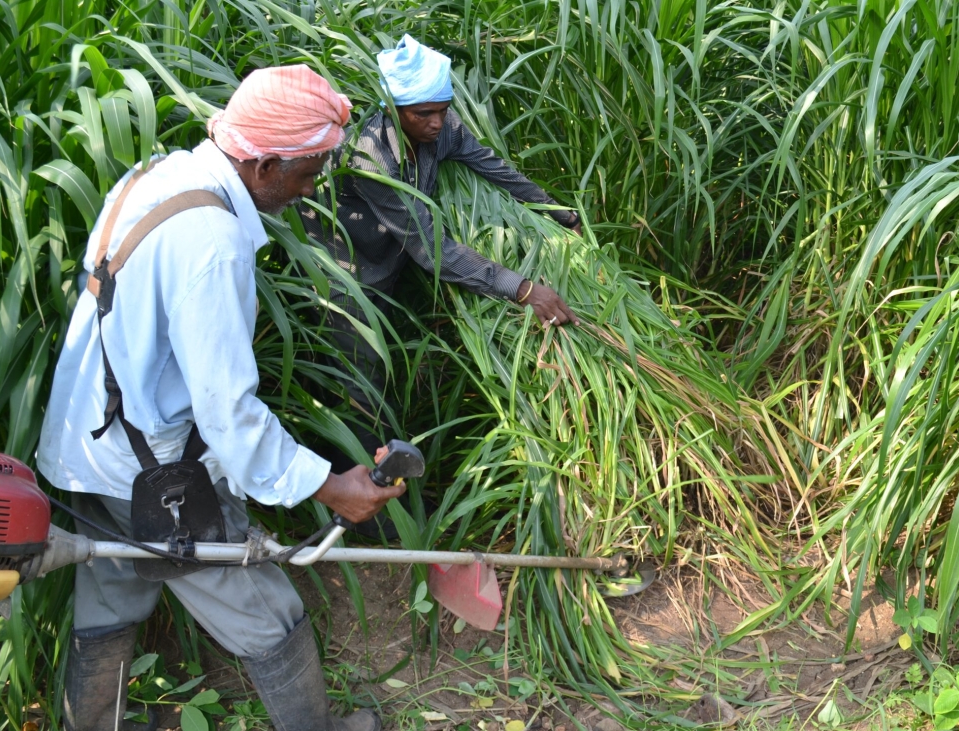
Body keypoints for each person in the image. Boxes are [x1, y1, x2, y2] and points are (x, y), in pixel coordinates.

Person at [37, 66, 396, 731]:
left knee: (110, 597)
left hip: (84, 450)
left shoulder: (157, 175)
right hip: (150, 476)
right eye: (308, 172)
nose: (312, 187)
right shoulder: (212, 242)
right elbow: (229, 414)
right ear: (262, 165)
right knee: (268, 611)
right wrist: (328, 485)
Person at [300, 35, 582, 472]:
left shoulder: (442, 131)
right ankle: (363, 501)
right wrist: (523, 289)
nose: (437, 123)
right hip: (347, 277)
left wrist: (560, 214)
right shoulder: (370, 157)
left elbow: (495, 168)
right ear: (393, 110)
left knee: (385, 371)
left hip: (390, 265)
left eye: (442, 109)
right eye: (423, 113)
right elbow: (431, 250)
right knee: (361, 386)